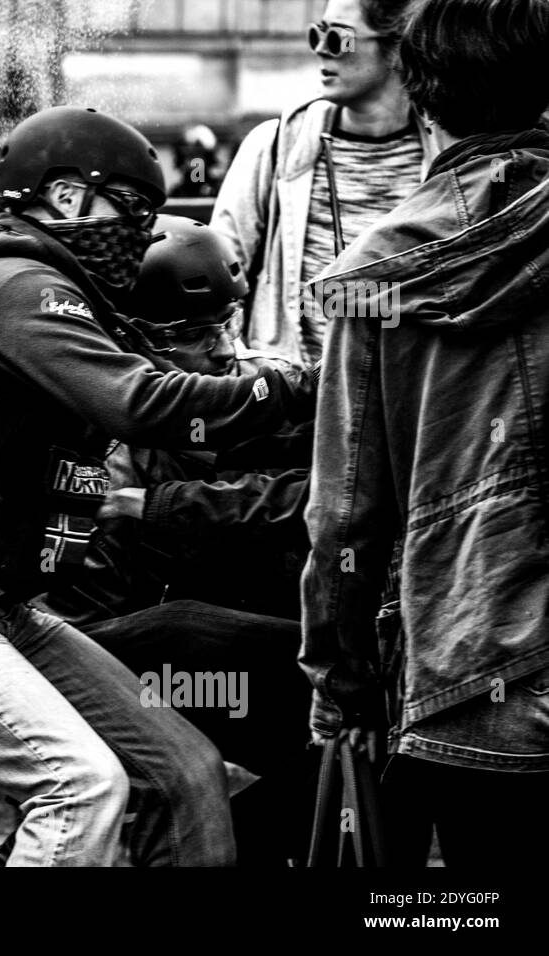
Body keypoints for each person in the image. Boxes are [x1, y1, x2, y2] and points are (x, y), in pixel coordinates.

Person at [0, 106, 317, 866]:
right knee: (81, 787)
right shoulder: (16, 287)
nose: (141, 232)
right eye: (135, 212)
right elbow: (145, 403)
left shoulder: (65, 302)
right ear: (66, 200)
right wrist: (307, 386)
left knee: (183, 772)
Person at [301, 0, 549, 866]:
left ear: (421, 93)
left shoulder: (372, 276)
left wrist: (342, 685)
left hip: (469, 663)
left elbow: (344, 514)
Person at [35, 216, 316, 865]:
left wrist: (183, 507)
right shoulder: (93, 448)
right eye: (194, 335)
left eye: (227, 323)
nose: (222, 349)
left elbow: (334, 490)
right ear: (130, 345)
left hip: (255, 661)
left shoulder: (263, 387)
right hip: (146, 677)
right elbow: (80, 629)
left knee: (364, 755)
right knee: (181, 634)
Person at [211, 0, 437, 367]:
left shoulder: (445, 153)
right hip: (295, 405)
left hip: (402, 401)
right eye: (317, 34)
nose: (320, 49)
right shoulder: (276, 145)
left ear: (397, 48)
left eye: (337, 38)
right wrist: (250, 369)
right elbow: (217, 275)